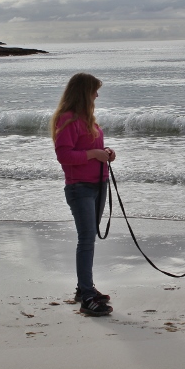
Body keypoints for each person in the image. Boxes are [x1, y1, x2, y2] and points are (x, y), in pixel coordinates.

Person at [50, 73, 117, 316]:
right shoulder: (67, 120)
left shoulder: (89, 120)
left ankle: (84, 288)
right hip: (80, 187)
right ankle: (87, 295)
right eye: (94, 91)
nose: (97, 95)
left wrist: (106, 152)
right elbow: (64, 156)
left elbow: (92, 149)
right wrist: (93, 154)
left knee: (89, 238)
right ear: (83, 92)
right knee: (87, 238)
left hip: (99, 184)